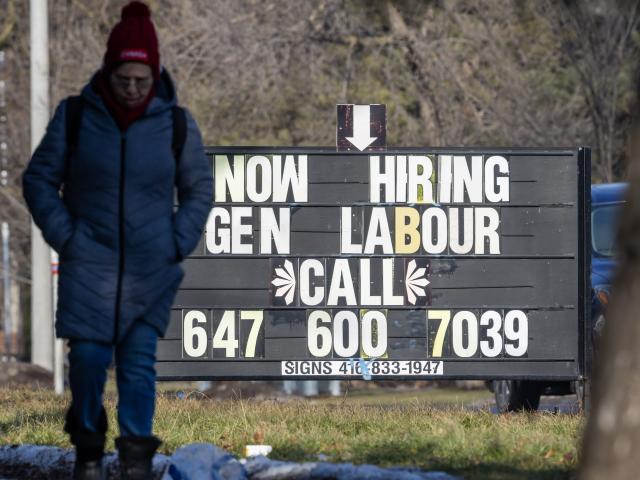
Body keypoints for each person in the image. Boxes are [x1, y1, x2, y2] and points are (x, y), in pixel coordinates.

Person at [22, 2, 213, 479]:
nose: (132, 89)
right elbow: (39, 180)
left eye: (142, 80)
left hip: (151, 267)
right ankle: (88, 447)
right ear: (109, 71)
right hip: (90, 264)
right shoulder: (75, 117)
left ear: (155, 74)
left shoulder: (176, 125)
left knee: (137, 366)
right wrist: (67, 235)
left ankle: (134, 459)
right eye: (124, 78)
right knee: (86, 363)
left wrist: (177, 241)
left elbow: (199, 189)